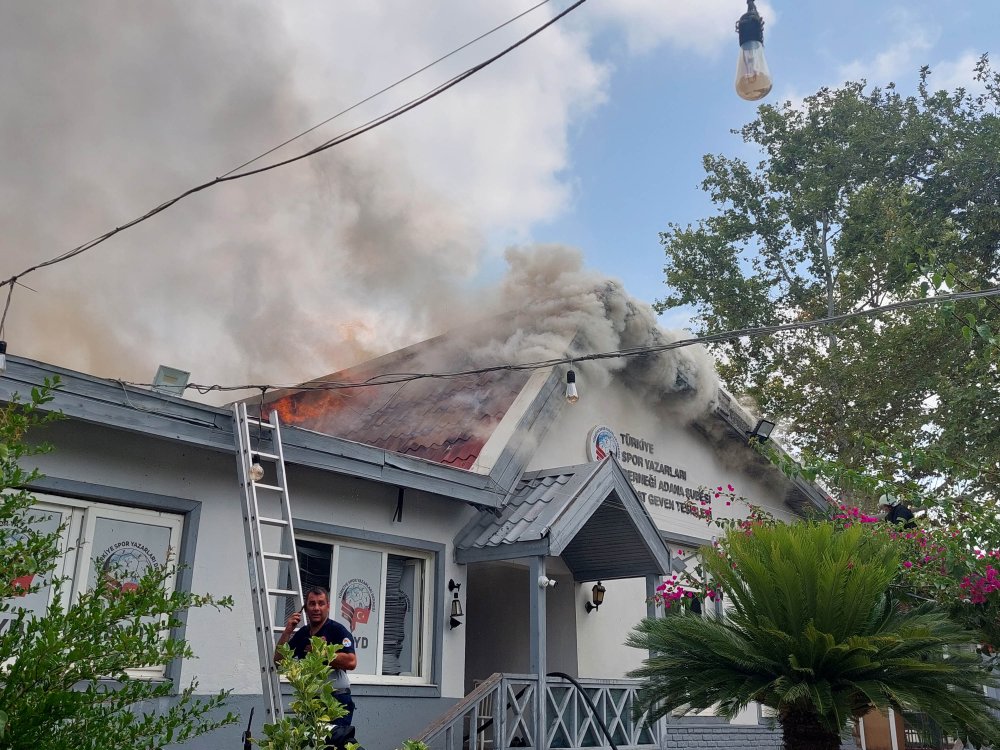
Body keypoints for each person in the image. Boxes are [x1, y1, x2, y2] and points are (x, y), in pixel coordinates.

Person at [274, 586, 358, 730]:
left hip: (336, 701)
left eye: (321, 603)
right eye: (312, 604)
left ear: (328, 607)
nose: (316, 608)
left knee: (335, 741)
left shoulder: (337, 630)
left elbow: (351, 662)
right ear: (305, 608)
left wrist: (322, 652)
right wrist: (288, 631)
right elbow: (278, 661)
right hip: (311, 703)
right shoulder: (302, 634)